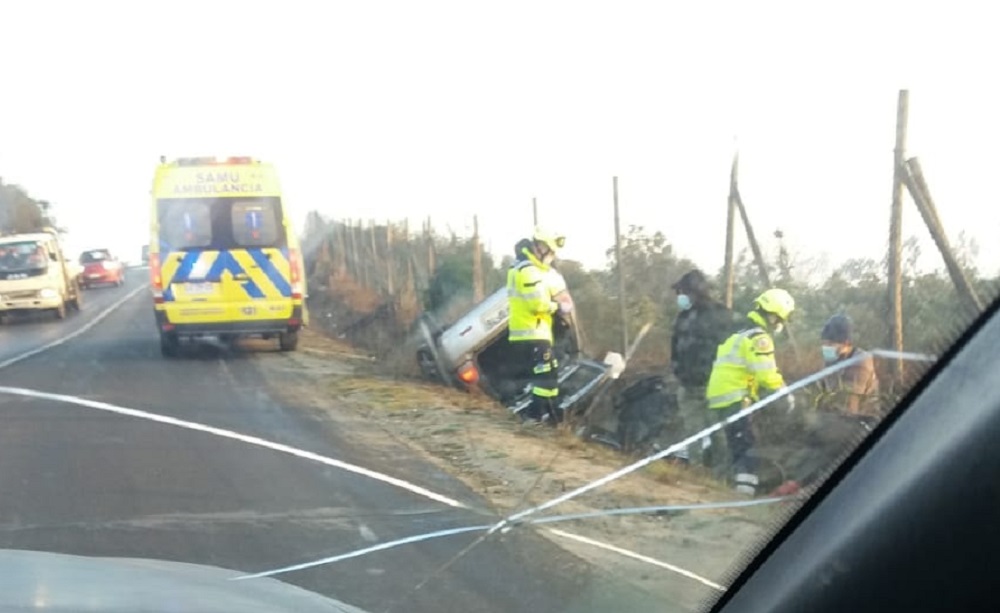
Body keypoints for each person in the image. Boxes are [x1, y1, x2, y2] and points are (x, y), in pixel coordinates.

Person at [706, 288, 796, 495]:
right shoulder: (759, 338)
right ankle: (743, 495)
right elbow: (766, 373)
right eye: (781, 319)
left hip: (721, 397)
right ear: (774, 316)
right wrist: (785, 393)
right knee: (747, 447)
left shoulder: (739, 333)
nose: (781, 324)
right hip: (736, 397)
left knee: (733, 444)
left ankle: (726, 487)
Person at [668, 269, 740, 469]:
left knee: (714, 433)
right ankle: (701, 473)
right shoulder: (686, 316)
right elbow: (675, 346)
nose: (679, 297)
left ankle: (714, 473)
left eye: (681, 292)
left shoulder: (717, 316)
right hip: (693, 384)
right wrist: (677, 370)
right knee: (701, 431)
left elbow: (733, 349)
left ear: (692, 292)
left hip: (711, 385)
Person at [507, 228, 571, 424]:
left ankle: (549, 417)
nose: (551, 256)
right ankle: (533, 417)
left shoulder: (540, 271)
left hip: (538, 333)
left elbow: (559, 290)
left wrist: (562, 297)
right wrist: (558, 306)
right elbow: (537, 304)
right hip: (529, 334)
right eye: (549, 251)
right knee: (546, 377)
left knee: (549, 375)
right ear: (539, 247)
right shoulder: (526, 270)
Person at [818, 314, 881, 421]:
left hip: (861, 422)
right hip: (833, 418)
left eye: (831, 343)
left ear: (846, 343)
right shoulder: (833, 359)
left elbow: (850, 406)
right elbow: (823, 390)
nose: (826, 347)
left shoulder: (860, 363)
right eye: (824, 343)